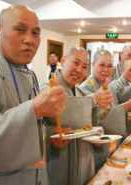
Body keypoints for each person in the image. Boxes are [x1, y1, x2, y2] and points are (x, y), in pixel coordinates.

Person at [0, 5, 66, 185]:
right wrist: (34, 109)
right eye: (20, 30)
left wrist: (51, 135)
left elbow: (33, 127)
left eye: (35, 33)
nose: (29, 40)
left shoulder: (30, 75)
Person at [47, 47, 114, 185]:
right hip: (60, 164)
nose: (79, 70)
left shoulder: (79, 91)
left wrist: (97, 135)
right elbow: (62, 112)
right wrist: (93, 99)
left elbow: (89, 125)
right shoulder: (48, 87)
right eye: (75, 63)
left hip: (84, 162)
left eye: (84, 66)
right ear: (63, 61)